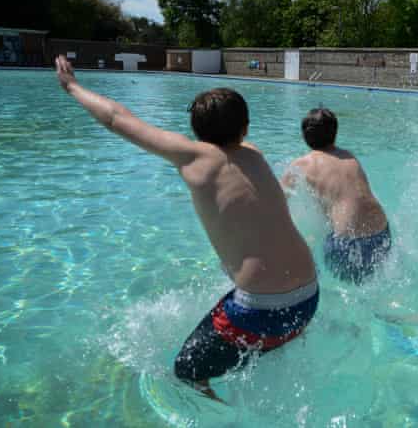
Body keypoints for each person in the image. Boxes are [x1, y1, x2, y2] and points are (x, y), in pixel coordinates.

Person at [53, 56, 318, 401]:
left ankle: (223, 416)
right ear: (246, 128)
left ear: (197, 132)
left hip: (259, 313)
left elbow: (116, 118)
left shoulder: (195, 158)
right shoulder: (255, 154)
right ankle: (273, 345)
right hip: (309, 298)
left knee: (186, 371)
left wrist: (72, 86)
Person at [283, 108, 391, 284]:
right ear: (335, 133)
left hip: (347, 243)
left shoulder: (301, 164)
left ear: (304, 136)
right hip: (382, 233)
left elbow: (277, 201)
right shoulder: (349, 156)